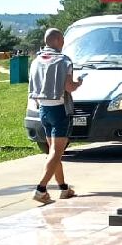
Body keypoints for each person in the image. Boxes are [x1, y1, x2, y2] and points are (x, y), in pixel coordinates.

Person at [28, 28, 84, 203]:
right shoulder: (64, 61)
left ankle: (63, 188)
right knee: (56, 153)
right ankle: (41, 189)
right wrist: (79, 83)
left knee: (54, 152)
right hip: (59, 109)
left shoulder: (37, 60)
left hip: (43, 109)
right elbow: (68, 87)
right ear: (59, 40)